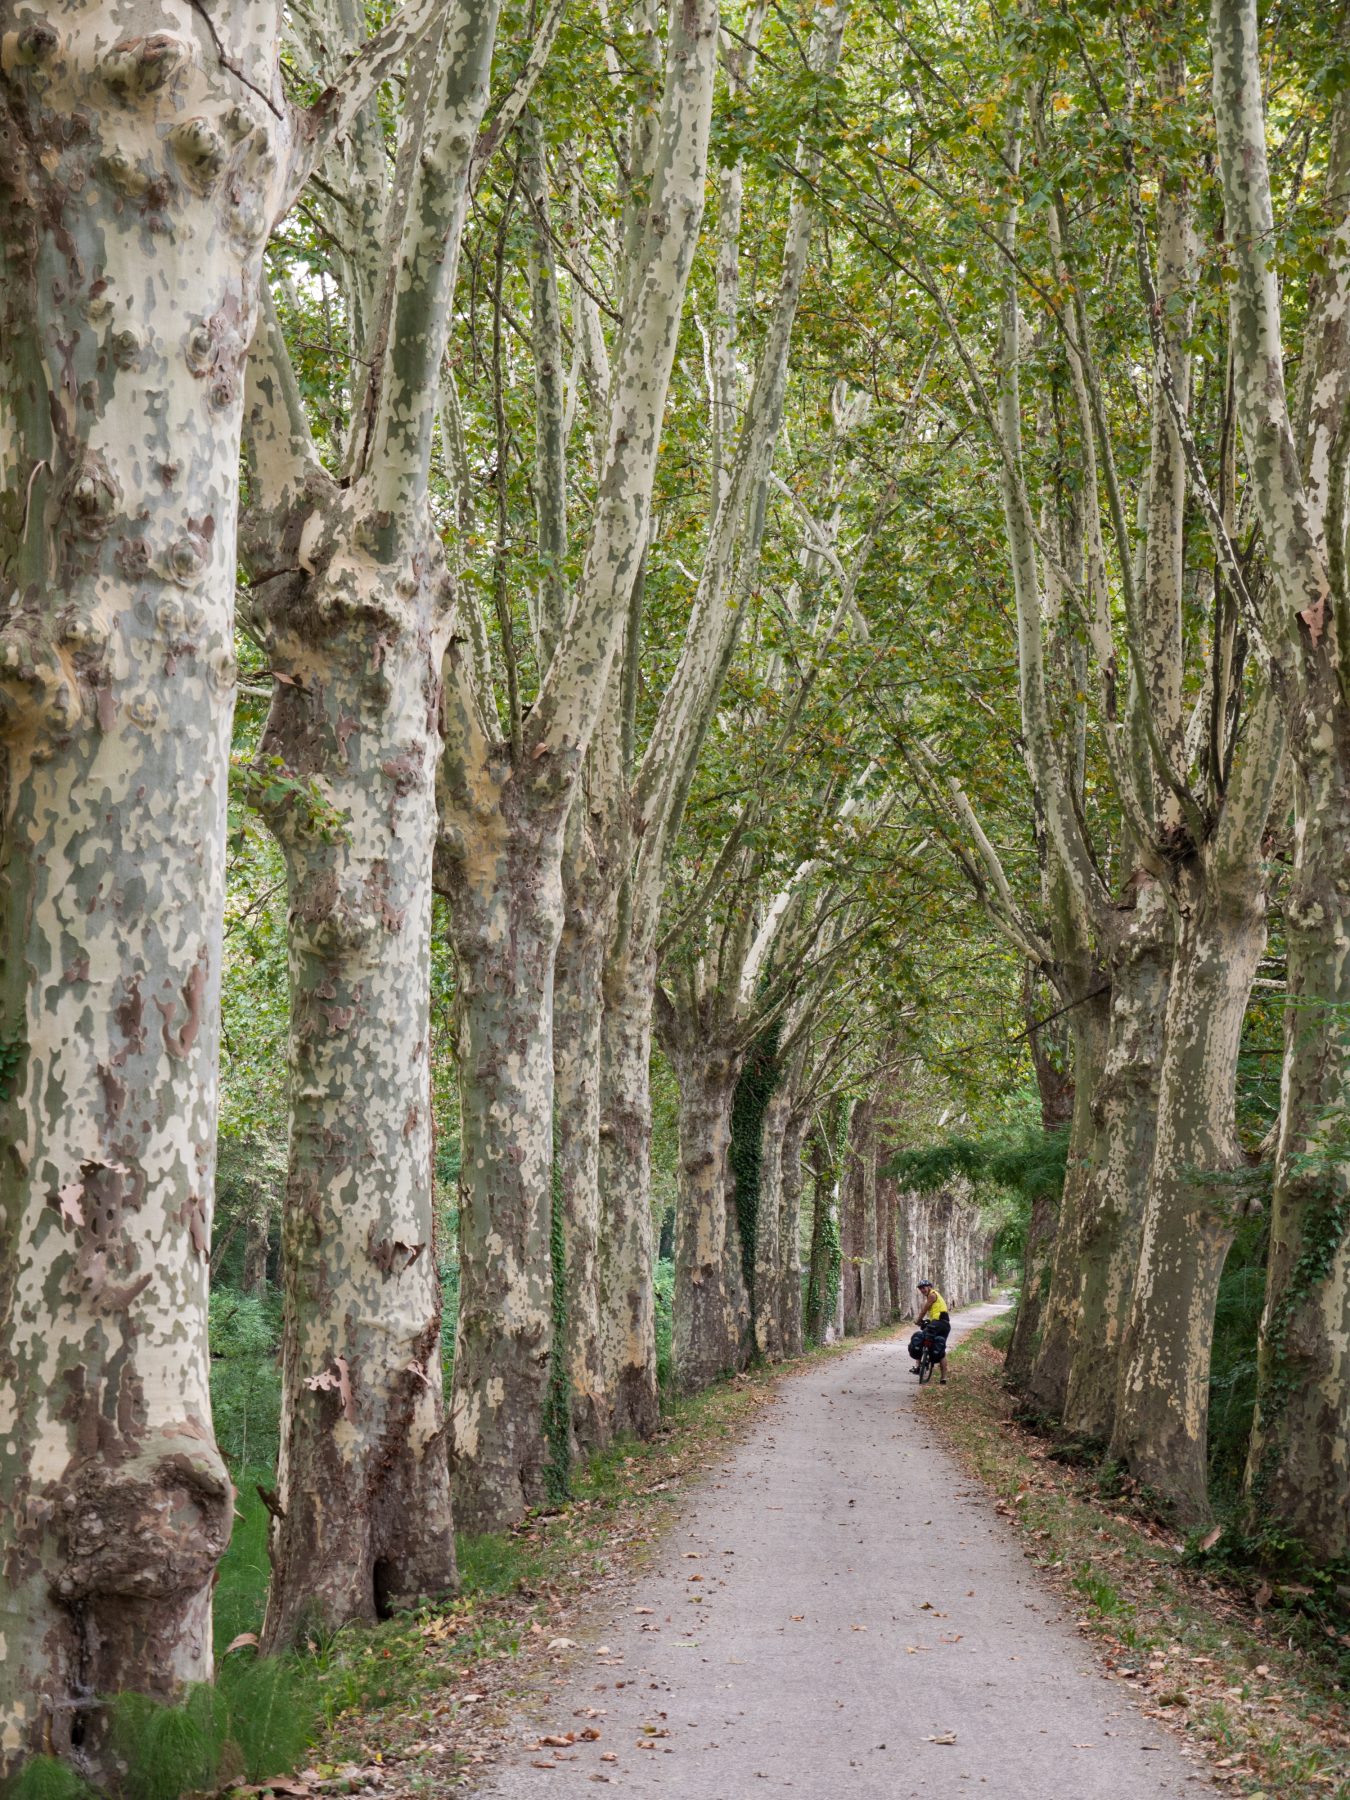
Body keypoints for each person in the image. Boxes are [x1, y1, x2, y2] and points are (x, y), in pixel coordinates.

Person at [908, 1280, 951, 1385]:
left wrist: (918, 1321)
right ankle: (943, 1378)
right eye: (920, 1289)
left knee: (921, 1338)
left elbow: (924, 1310)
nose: (922, 1290)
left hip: (938, 1323)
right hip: (944, 1325)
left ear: (930, 1287)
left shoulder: (932, 1295)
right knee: (940, 1348)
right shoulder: (935, 1296)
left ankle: (918, 1367)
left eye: (924, 1287)